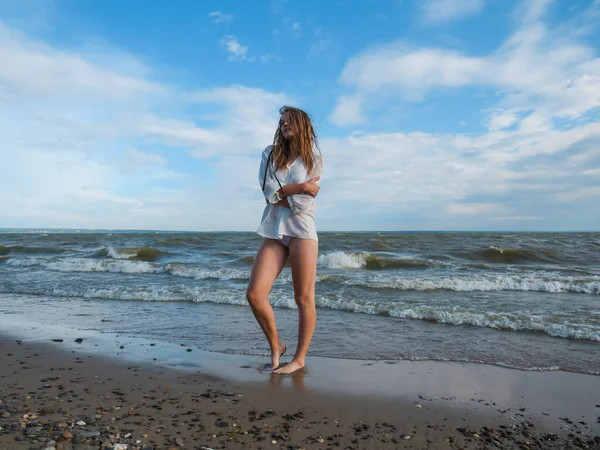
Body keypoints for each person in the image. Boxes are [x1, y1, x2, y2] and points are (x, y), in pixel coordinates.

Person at [246, 105, 323, 375]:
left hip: (302, 230)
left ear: (302, 125)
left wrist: (286, 192)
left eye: (289, 121)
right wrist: (298, 188)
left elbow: (303, 205)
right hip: (274, 230)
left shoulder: (313, 158)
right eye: (281, 122)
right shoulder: (269, 153)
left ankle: (299, 359)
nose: (284, 125)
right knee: (254, 295)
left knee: (304, 298)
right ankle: (276, 344)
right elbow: (267, 192)